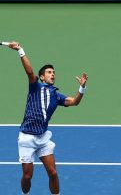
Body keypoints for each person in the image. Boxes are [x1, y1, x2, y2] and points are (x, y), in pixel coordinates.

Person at [8, 41, 88, 195]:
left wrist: (82, 87)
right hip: (26, 138)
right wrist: (20, 50)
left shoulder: (56, 95)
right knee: (27, 176)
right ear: (42, 77)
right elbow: (30, 72)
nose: (53, 74)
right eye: (49, 72)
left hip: (43, 137)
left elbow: (74, 102)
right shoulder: (35, 87)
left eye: (54, 72)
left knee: (53, 173)